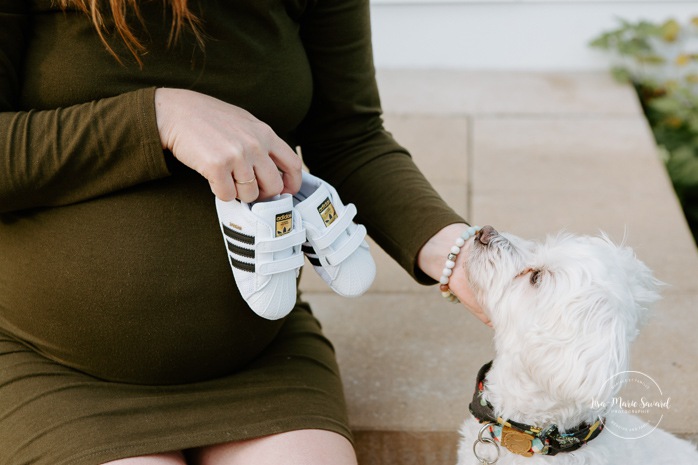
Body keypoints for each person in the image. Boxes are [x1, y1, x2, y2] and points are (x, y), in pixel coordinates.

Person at [0, 0, 489, 464]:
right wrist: (159, 118)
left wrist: (461, 256)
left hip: (261, 356)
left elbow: (348, 135)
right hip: (48, 360)